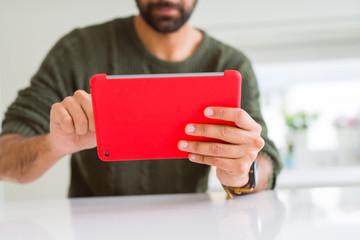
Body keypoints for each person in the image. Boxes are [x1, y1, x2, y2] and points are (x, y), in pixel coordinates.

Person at [0, 0, 282, 197]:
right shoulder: (78, 51)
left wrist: (244, 172)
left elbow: (264, 157)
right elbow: (5, 157)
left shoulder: (230, 63)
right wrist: (54, 144)